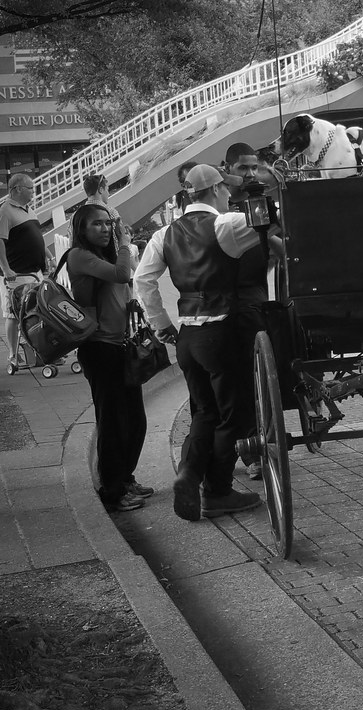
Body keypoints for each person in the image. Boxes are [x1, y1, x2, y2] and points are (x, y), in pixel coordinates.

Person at [134, 164, 280, 522]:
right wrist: (261, 196)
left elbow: (143, 280)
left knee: (203, 411)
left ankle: (188, 472)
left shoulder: (163, 234)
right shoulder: (225, 225)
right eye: (224, 189)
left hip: (188, 335)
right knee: (235, 415)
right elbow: (269, 226)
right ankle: (216, 490)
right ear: (215, 190)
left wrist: (162, 324)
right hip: (223, 330)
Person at [67, 204, 152, 512]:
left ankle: (125, 478)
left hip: (119, 346)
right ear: (82, 230)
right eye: (97, 225)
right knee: (113, 421)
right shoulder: (79, 256)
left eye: (107, 223)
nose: (104, 229)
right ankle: (112, 490)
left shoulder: (104, 255)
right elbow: (122, 273)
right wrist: (126, 242)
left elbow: (120, 284)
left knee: (135, 420)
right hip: (99, 349)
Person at [222, 142, 276, 481]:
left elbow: (275, 242)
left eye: (255, 168)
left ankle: (259, 447)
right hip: (224, 301)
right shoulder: (217, 206)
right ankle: (244, 452)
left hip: (257, 296)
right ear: (227, 171)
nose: (252, 174)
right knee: (236, 382)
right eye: (243, 169)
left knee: (261, 376)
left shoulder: (265, 203)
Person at [0, 174, 45, 371]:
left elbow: (35, 236)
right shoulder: (4, 211)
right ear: (17, 189)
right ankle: (13, 356)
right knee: (14, 314)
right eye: (30, 188)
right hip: (15, 272)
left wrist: (47, 255)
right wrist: (6, 270)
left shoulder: (29, 209)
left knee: (37, 311)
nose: (34, 191)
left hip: (33, 271)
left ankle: (38, 351)